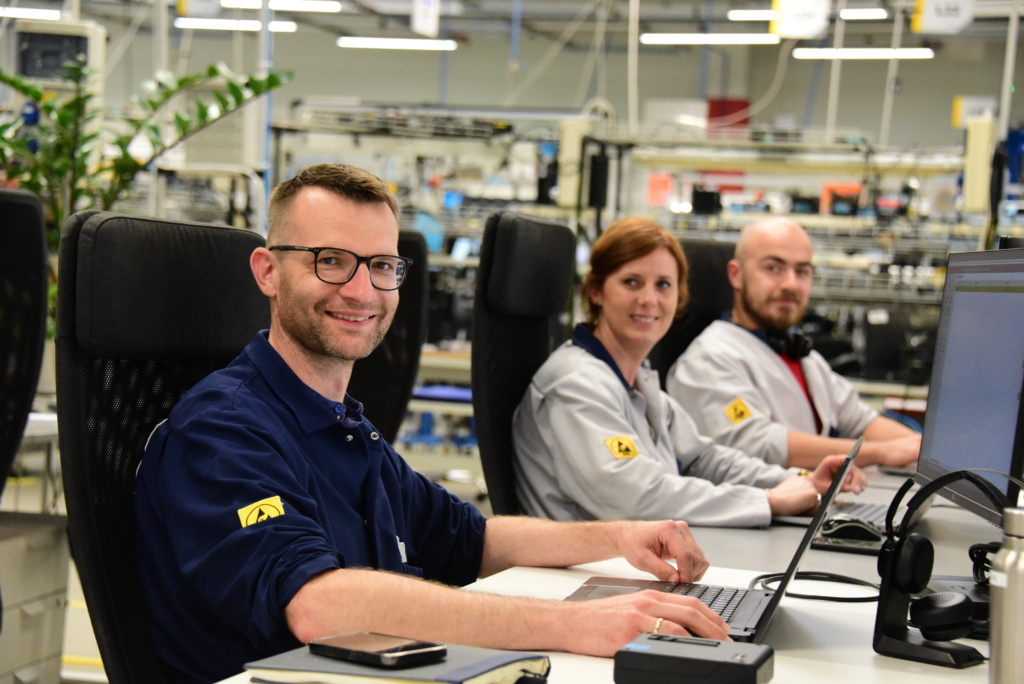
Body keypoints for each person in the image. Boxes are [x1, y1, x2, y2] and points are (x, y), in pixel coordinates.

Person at [134, 164, 733, 684]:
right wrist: (574, 624)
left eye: (382, 265)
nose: (362, 290)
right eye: (331, 261)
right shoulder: (222, 431)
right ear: (268, 271)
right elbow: (316, 604)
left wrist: (621, 537)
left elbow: (473, 541)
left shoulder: (343, 426)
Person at [512, 216, 865, 528]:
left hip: (632, 563)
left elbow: (703, 458)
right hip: (581, 580)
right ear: (596, 291)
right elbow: (636, 497)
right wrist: (768, 501)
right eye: (632, 282)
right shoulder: (575, 384)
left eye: (663, 284)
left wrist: (799, 479)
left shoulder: (638, 382)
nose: (649, 299)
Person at [667, 216, 921, 470]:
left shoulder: (802, 356)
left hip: (810, 503)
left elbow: (861, 420)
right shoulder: (707, 361)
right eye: (773, 268)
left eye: (802, 271)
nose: (790, 284)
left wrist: (924, 450)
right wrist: (881, 453)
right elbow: (758, 444)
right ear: (736, 274)